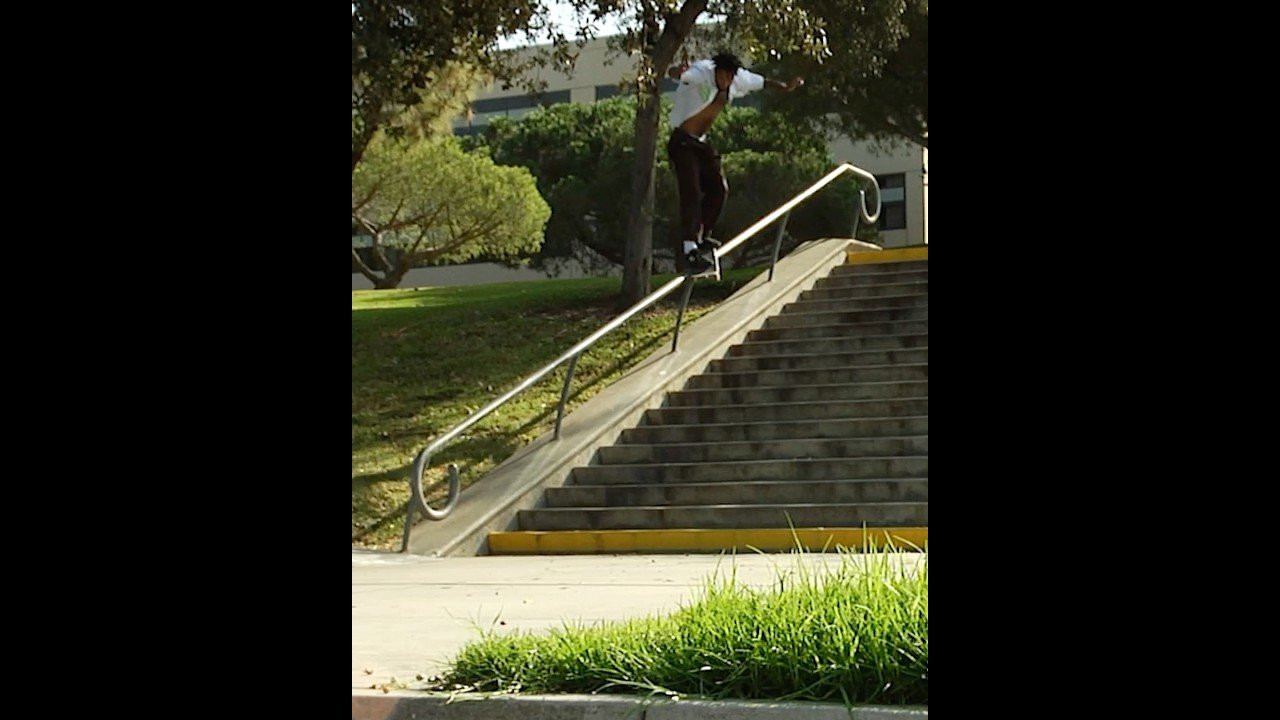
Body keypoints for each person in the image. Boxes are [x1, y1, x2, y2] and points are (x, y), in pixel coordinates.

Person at [666, 52, 804, 277]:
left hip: (701, 143)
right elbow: (681, 76)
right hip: (682, 142)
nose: (726, 82)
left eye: (730, 78)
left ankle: (701, 237)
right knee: (691, 189)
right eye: (722, 77)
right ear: (716, 71)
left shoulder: (738, 79)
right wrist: (677, 71)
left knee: (719, 189)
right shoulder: (702, 72)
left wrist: (786, 87)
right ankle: (689, 248)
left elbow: (763, 82)